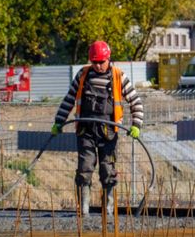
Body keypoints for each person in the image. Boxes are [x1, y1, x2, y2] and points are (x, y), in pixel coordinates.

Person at [52, 40, 144, 217]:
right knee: (84, 169)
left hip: (108, 132)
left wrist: (136, 125)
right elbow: (69, 99)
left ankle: (108, 210)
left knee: (107, 170)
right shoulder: (83, 75)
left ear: (108, 59)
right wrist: (59, 121)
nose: (98, 66)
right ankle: (84, 211)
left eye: (101, 62)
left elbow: (136, 102)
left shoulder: (118, 76)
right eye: (94, 62)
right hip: (85, 130)